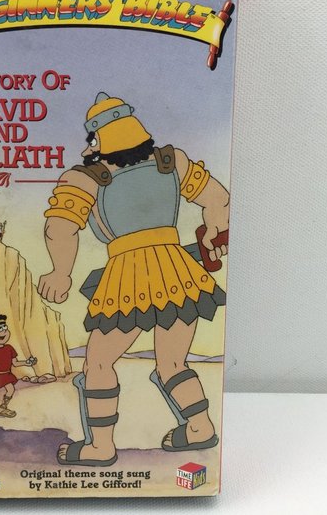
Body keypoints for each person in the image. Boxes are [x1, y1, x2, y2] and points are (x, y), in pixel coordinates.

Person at [39, 92, 229, 467]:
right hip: (179, 274)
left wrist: (60, 273)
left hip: (128, 280)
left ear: (98, 140)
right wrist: (213, 230)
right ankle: (199, 427)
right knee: (172, 363)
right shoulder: (172, 162)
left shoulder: (84, 179)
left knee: (98, 363)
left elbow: (60, 229)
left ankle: (100, 447)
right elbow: (219, 199)